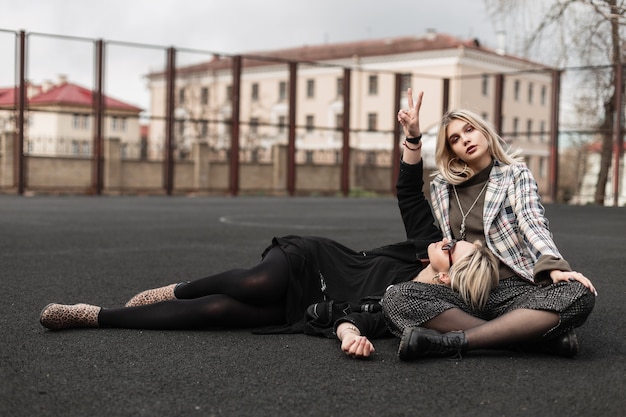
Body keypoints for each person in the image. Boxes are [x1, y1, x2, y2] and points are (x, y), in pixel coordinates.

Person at [39, 142, 499, 338]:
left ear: (453, 274)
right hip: (315, 261)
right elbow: (407, 191)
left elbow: (368, 323)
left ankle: (95, 317)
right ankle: (176, 288)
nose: (451, 240)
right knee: (254, 283)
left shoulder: (416, 304)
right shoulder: (424, 245)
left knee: (217, 315)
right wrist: (412, 139)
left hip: (309, 309)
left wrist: (347, 333)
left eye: (458, 248)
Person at [382, 88, 597, 361]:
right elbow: (410, 195)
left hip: (515, 290)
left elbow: (532, 220)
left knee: (579, 294)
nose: (465, 140)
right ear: (452, 151)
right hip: (464, 291)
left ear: (483, 131)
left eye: (469, 130)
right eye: (456, 139)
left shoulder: (514, 174)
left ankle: (456, 342)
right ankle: (528, 340)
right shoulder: (443, 188)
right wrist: (412, 137)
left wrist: (554, 267)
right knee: (395, 298)